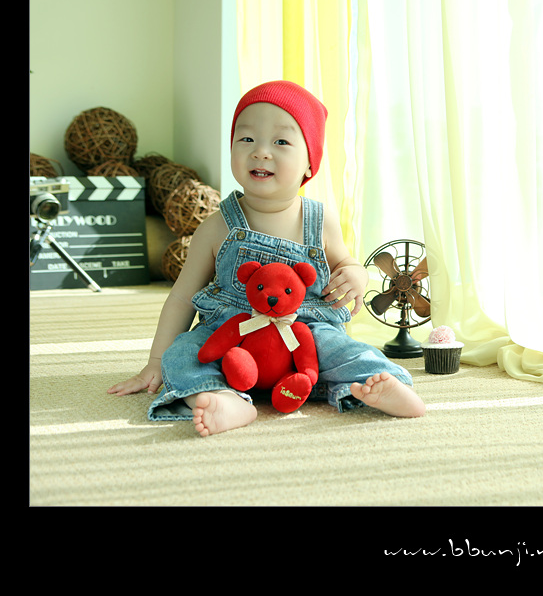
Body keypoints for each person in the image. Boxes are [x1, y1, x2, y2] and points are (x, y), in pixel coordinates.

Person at [108, 80, 425, 435]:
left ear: (310, 164)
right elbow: (182, 296)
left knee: (346, 350)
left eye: (281, 142)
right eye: (246, 139)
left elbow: (346, 263)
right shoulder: (215, 226)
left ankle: (380, 385)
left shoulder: (320, 221)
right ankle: (222, 399)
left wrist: (356, 275)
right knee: (182, 355)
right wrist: (155, 361)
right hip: (231, 335)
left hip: (305, 335)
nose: (260, 152)